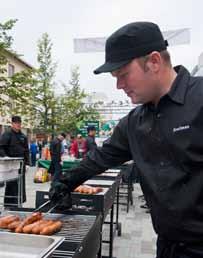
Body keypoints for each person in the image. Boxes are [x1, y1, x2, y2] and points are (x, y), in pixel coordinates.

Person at [49, 21, 203, 257]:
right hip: (168, 246)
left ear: (154, 62)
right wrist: (66, 182)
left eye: (123, 75)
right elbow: (100, 157)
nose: (119, 85)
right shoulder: (133, 123)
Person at [0, 115, 29, 206]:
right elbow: (1, 147)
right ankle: (9, 204)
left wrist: (27, 163)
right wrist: (5, 157)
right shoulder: (7, 134)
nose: (18, 125)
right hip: (11, 164)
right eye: (16, 123)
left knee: (21, 184)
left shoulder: (23, 136)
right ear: (12, 124)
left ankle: (19, 202)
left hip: (21, 163)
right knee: (11, 184)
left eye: (19, 123)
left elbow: (26, 150)